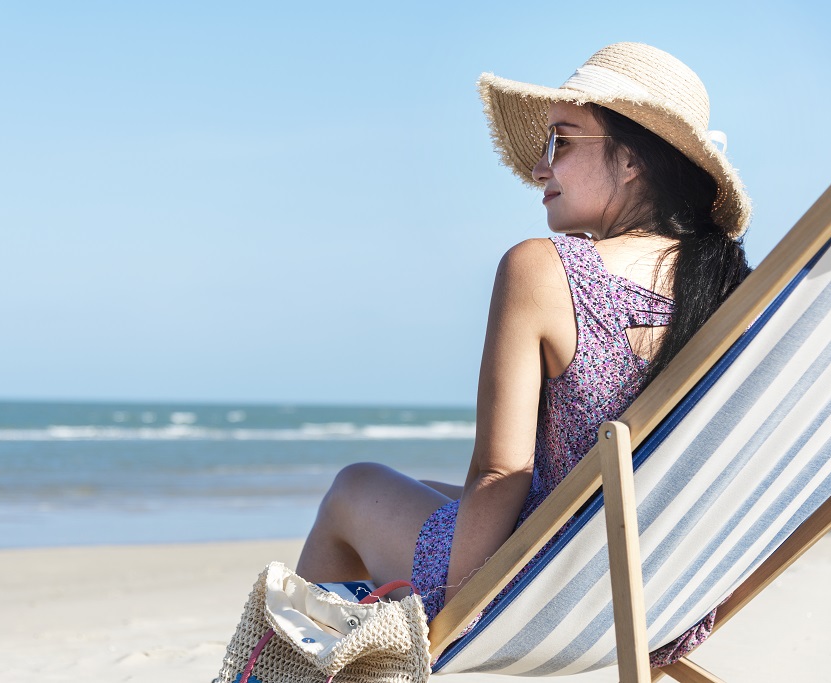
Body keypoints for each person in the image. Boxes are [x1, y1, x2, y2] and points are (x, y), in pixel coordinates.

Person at [295, 42, 752, 666]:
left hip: (551, 602)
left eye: (561, 140)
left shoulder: (546, 270)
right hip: (669, 606)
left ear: (632, 161)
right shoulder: (733, 294)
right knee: (424, 492)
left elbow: (498, 474)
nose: (541, 168)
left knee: (355, 489)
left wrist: (454, 621)